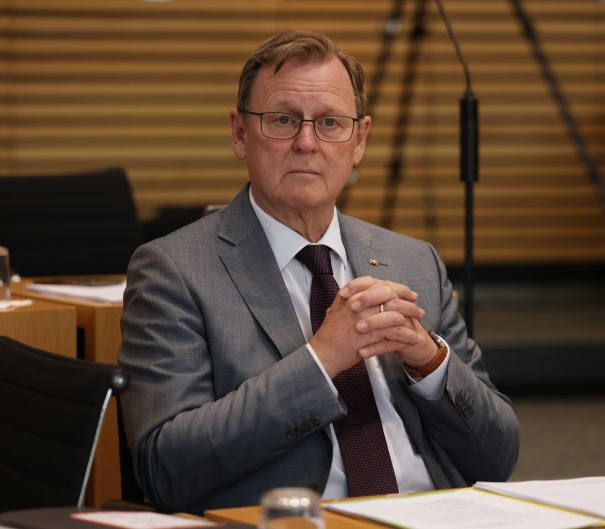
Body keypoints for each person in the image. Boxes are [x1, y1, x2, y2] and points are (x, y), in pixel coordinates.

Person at [118, 29, 520, 514]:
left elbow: (499, 457)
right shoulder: (174, 271)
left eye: (330, 122)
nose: (307, 142)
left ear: (359, 141)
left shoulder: (414, 261)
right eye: (283, 120)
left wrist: (430, 362)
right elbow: (166, 470)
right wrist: (323, 359)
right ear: (240, 134)